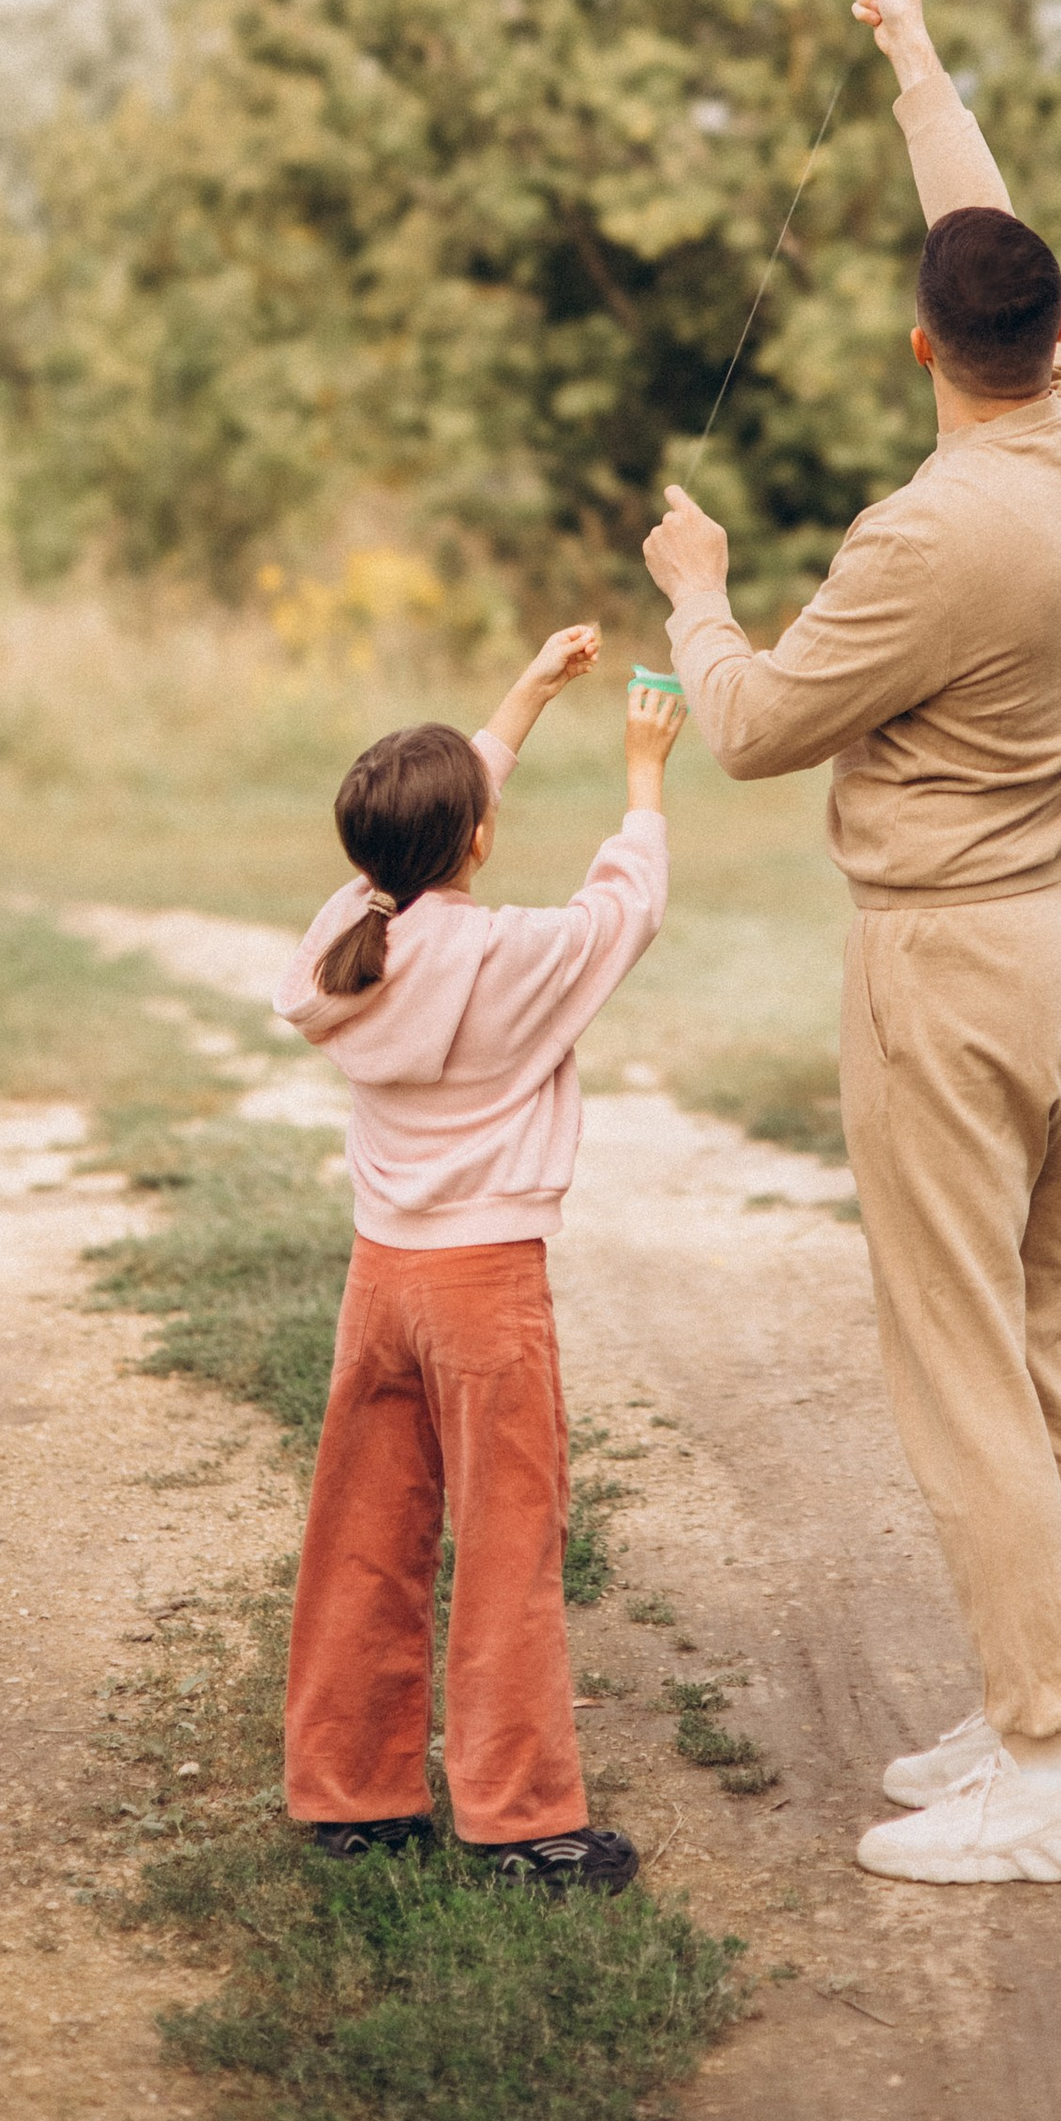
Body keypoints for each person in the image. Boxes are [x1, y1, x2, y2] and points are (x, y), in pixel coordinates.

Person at [642, 0, 1061, 1887]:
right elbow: (982, 217)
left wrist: (696, 586)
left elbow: (759, 728)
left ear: (920, 347)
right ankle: (1040, 1699)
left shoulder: (928, 535)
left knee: (957, 1358)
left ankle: (1053, 1769)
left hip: (950, 971)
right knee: (1043, 1339)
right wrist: (911, 52)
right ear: (1053, 329)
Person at [274, 625, 688, 1893]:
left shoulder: (349, 936)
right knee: (507, 1544)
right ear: (478, 842)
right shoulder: (514, 956)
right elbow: (629, 906)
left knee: (367, 1527)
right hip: (484, 1288)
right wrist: (641, 771)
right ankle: (517, 1820)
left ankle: (350, 1794)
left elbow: (436, 826)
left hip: (380, 1281)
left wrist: (525, 695)